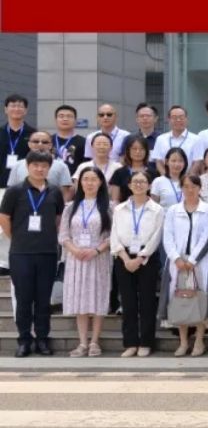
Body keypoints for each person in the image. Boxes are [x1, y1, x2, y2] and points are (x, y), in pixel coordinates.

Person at [1, 151, 64, 357]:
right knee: (24, 298)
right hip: (21, 253)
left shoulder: (55, 192)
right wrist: (17, 238)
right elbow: (4, 218)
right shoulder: (15, 191)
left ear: (49, 168)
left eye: (44, 166)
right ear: (27, 166)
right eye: (35, 165)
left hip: (47, 252)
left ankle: (43, 339)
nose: (39, 169)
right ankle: (24, 340)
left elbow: (58, 219)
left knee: (44, 299)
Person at [57, 166, 113, 357]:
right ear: (79, 183)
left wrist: (96, 250)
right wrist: (75, 250)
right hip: (76, 259)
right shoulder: (71, 207)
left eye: (93, 179)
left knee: (98, 297)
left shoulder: (108, 207)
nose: (89, 183)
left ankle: (95, 341)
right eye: (86, 179)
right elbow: (63, 235)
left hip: (99, 258)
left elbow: (113, 235)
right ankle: (82, 342)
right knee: (79, 299)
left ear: (100, 183)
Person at [110, 170, 164, 357]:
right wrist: (125, 258)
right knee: (128, 301)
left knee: (147, 301)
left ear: (149, 185)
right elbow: (114, 235)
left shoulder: (157, 210)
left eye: (142, 182)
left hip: (147, 258)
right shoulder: (119, 209)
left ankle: (146, 342)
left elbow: (156, 236)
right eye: (135, 182)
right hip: (124, 257)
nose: (139, 185)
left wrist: (141, 258)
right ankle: (130, 343)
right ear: (129, 185)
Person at [161, 175, 208, 357]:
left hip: (199, 262)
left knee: (200, 298)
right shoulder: (173, 210)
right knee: (180, 300)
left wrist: (192, 260)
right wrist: (176, 258)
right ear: (181, 188)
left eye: (193, 186)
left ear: (200, 188)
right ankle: (183, 342)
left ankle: (199, 341)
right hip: (177, 263)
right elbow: (167, 236)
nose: (189, 190)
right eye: (186, 186)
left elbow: (207, 237)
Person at [7, 131, 74, 202]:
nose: (40, 144)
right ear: (29, 144)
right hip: (22, 206)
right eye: (36, 141)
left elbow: (64, 193)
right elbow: (11, 191)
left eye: (44, 142)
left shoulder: (62, 166)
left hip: (50, 206)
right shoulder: (17, 165)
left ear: (50, 145)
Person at [109, 136, 157, 205]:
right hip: (125, 209)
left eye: (141, 149)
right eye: (134, 149)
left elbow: (155, 199)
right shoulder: (119, 172)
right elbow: (115, 200)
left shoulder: (154, 173)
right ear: (128, 151)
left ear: (146, 151)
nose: (138, 152)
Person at [0, 94, 35, 186]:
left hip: (24, 183)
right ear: (6, 109)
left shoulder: (33, 134)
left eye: (20, 106)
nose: (16, 109)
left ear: (25, 111)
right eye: (13, 106)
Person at [150, 106, 197, 173]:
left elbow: (197, 162)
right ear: (168, 120)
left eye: (181, 117)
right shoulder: (160, 139)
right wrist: (166, 177)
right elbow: (158, 162)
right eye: (174, 117)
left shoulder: (196, 139)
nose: (178, 120)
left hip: (187, 178)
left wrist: (187, 178)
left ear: (186, 119)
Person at [51, 105, 86, 174]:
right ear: (55, 120)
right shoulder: (47, 141)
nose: (65, 119)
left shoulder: (83, 142)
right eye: (61, 116)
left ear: (75, 120)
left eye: (69, 116)